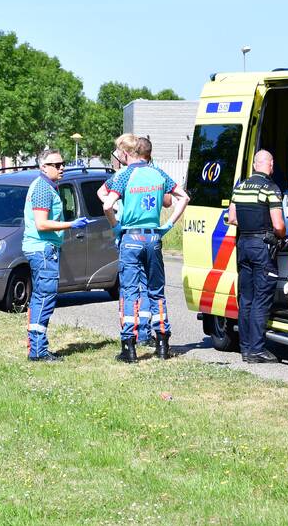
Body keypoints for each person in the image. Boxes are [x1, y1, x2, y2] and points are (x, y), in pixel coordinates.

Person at [101, 137, 189, 362]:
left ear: (132, 153)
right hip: (153, 237)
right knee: (156, 291)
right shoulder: (159, 174)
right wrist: (168, 225)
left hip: (130, 237)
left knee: (129, 291)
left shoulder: (125, 175)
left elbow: (107, 204)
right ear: (149, 154)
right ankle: (162, 344)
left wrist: (116, 226)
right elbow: (183, 197)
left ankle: (129, 348)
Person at [21, 149, 91, 362]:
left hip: (43, 249)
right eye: (57, 165)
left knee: (40, 298)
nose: (62, 168)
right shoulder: (42, 188)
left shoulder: (47, 187)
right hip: (43, 250)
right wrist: (71, 224)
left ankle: (35, 348)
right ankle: (38, 351)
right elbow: (42, 224)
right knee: (45, 298)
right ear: (44, 167)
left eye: (63, 163)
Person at [228, 149, 286, 364]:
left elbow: (231, 218)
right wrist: (280, 235)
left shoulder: (240, 187)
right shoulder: (270, 188)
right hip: (262, 246)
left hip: (243, 243)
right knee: (262, 299)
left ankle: (245, 349)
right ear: (270, 165)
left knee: (247, 298)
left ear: (254, 165)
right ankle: (257, 350)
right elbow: (279, 225)